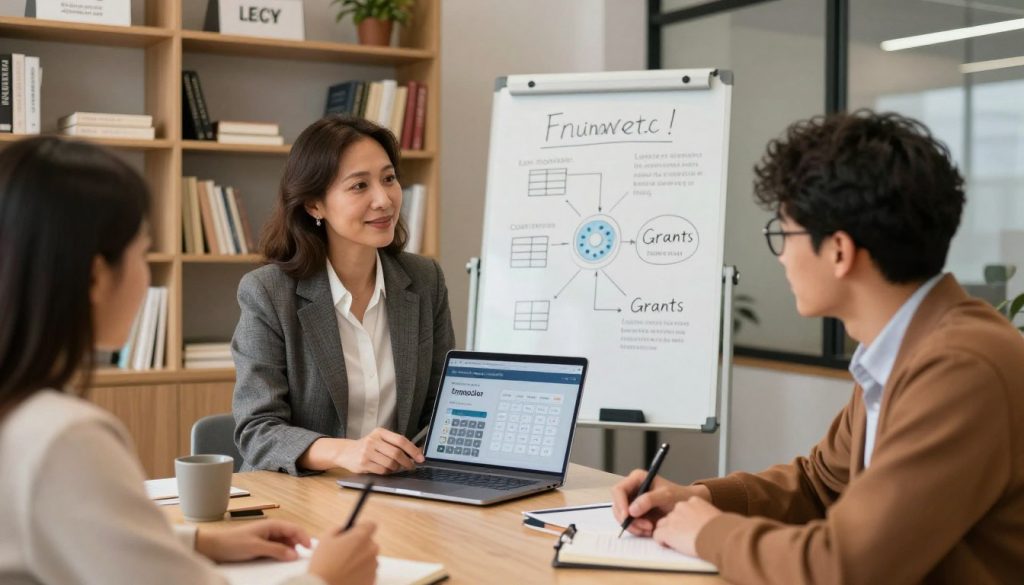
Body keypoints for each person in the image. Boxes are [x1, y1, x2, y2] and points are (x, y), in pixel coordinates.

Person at [612, 111, 1024, 584]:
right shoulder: (898, 348)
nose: (783, 255)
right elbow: (820, 483)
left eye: (785, 234)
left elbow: (845, 567)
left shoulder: (961, 367)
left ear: (839, 251)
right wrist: (700, 500)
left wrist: (709, 533)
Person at [0, 136, 378, 585]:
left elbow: (74, 541)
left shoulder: (22, 417)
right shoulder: (66, 439)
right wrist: (326, 578)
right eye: (142, 252)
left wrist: (197, 543)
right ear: (95, 277)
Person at [233, 116, 455, 476]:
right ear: (314, 205)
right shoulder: (268, 292)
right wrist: (345, 453)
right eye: (359, 186)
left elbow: (441, 410)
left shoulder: (425, 280)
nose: (383, 200)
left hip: (392, 494)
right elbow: (257, 431)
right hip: (294, 497)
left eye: (388, 179)